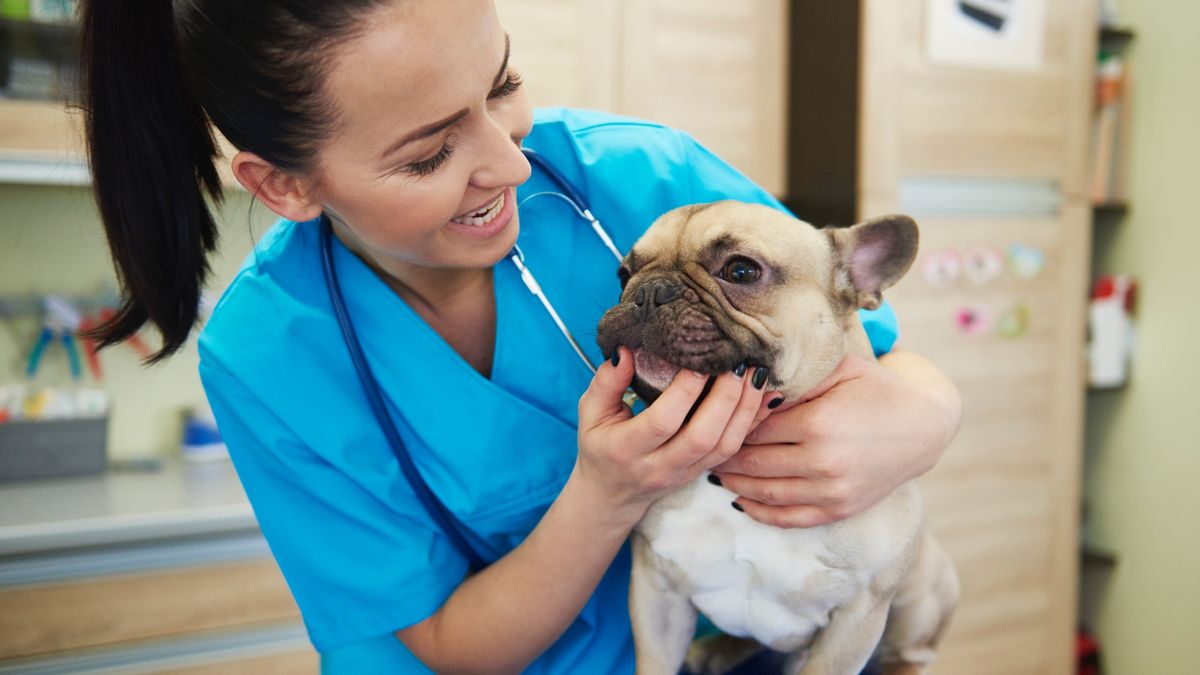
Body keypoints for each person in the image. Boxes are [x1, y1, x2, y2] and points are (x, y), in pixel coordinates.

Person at [79, 0, 962, 672]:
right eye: (428, 154)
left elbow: (861, 333)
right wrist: (607, 493)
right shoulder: (269, 355)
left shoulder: (636, 171)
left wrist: (928, 409)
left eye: (501, 84)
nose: (507, 161)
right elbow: (441, 640)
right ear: (285, 187)